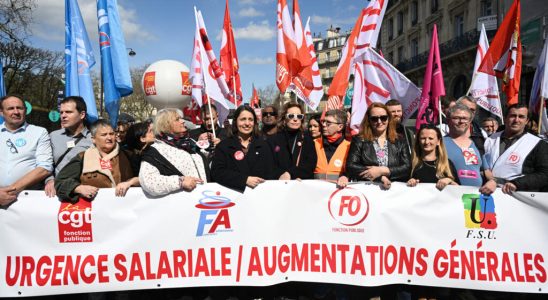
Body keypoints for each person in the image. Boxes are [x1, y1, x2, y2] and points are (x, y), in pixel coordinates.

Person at [54, 120, 139, 203]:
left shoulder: (128, 155)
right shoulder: (82, 157)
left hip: (124, 209)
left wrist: (130, 182)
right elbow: (60, 182)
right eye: (104, 135)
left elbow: (145, 178)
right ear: (93, 139)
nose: (109, 138)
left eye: (111, 134)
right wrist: (78, 188)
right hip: (95, 212)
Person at [480, 104, 548, 194]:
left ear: (527, 120)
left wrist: (517, 183)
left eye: (521, 117)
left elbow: (544, 174)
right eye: (513, 116)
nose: (516, 120)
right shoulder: (489, 139)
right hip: (487, 192)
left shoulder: (538, 144)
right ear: (505, 118)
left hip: (517, 197)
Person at [139, 108, 208, 196]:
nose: (183, 121)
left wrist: (213, 148)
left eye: (181, 118)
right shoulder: (155, 150)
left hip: (203, 197)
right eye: (177, 119)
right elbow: (149, 181)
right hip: (181, 203)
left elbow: (203, 163)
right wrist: (179, 181)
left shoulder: (189, 143)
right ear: (165, 125)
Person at [0, 95, 53, 207]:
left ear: (25, 110)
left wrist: (10, 192)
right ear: (1, 112)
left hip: (27, 201)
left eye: (20, 108)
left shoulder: (39, 132)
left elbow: (45, 168)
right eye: (10, 108)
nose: (16, 112)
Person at [345, 103, 410, 189]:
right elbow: (351, 166)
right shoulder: (359, 140)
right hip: (369, 190)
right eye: (374, 119)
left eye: (383, 118)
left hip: (395, 192)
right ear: (368, 120)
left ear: (388, 119)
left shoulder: (400, 141)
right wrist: (379, 177)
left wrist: (384, 170)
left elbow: (407, 167)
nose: (379, 122)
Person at [211, 106, 275, 192]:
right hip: (233, 197)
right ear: (235, 121)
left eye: (250, 119)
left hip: (259, 196)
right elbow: (217, 172)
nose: (247, 123)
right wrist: (244, 180)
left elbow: (271, 172)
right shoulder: (224, 146)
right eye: (243, 119)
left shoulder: (264, 146)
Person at [45, 96, 93, 197]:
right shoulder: (53, 136)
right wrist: (49, 180)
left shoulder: (93, 139)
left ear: (82, 115)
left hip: (84, 193)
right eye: (61, 112)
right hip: (56, 192)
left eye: (68, 112)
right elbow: (46, 164)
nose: (63, 116)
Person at [269, 102, 317, 180]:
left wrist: (291, 173)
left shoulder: (307, 139)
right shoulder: (273, 139)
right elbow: (269, 165)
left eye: (299, 116)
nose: (295, 119)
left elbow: (310, 165)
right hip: (279, 184)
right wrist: (281, 175)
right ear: (284, 118)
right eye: (291, 116)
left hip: (301, 186)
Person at [407, 125, 459, 190]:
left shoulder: (447, 164)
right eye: (423, 138)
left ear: (438, 141)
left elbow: (459, 192)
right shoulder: (410, 164)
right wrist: (409, 183)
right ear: (418, 141)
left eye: (430, 138)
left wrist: (450, 181)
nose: (426, 142)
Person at [443, 104, 484, 187]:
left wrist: (492, 181)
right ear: (448, 120)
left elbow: (485, 170)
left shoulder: (476, 143)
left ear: (470, 121)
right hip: (450, 195)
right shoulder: (439, 143)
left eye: (465, 118)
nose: (461, 121)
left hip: (474, 196)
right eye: (456, 118)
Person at [313, 109, 350, 182]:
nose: (323, 125)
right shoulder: (314, 143)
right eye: (323, 121)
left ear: (340, 127)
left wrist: (346, 176)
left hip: (338, 192)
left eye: (328, 123)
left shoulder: (349, 146)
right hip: (315, 191)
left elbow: (353, 170)